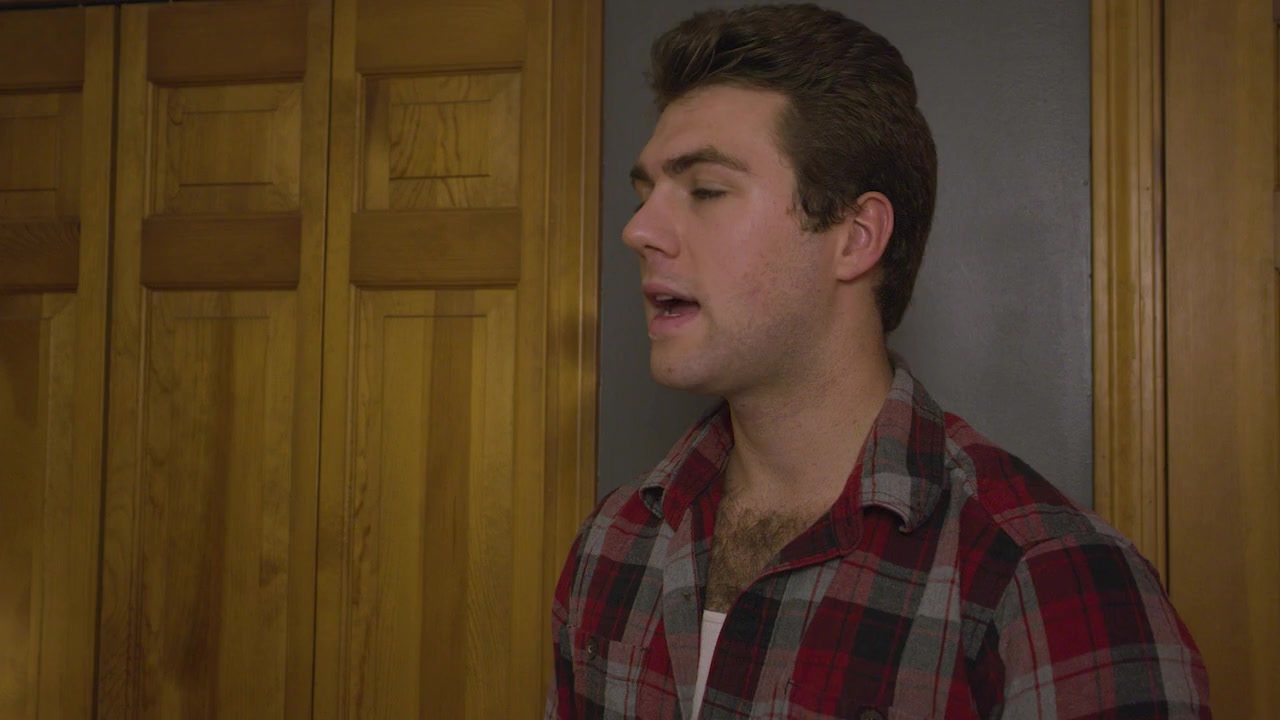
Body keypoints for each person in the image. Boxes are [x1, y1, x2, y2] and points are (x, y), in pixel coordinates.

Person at [546, 4, 1209, 718]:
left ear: (857, 237)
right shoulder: (614, 544)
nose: (638, 230)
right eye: (645, 195)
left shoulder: (1048, 578)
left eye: (705, 190)